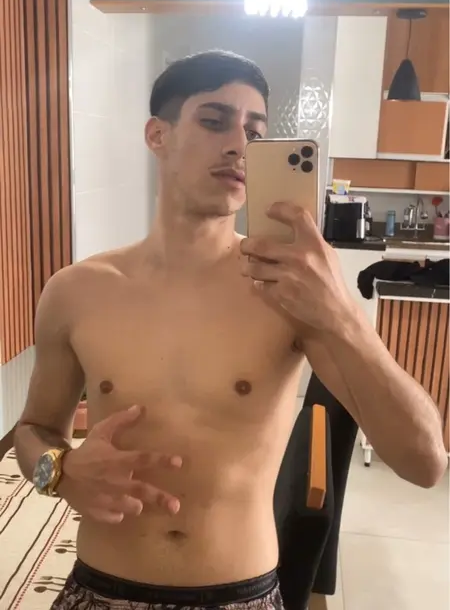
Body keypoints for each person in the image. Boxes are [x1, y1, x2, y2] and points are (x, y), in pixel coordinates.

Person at [14, 50, 447, 610]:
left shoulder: (287, 291)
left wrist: (341, 311)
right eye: (215, 121)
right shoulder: (76, 291)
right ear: (157, 135)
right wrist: (61, 472)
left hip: (240, 596)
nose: (239, 145)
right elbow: (33, 430)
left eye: (255, 133)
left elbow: (424, 462)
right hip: (100, 590)